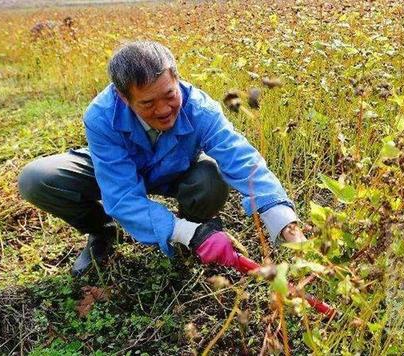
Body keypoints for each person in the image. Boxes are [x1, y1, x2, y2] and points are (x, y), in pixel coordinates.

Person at [17, 40, 306, 276]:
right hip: (117, 171)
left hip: (176, 170)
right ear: (122, 97)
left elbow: (241, 159)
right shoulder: (101, 116)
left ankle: (193, 230)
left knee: (211, 177)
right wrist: (182, 232)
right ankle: (103, 232)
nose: (164, 109)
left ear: (177, 79)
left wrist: (286, 224)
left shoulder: (200, 108)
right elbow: (120, 193)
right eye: (147, 103)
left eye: (169, 95)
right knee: (36, 179)